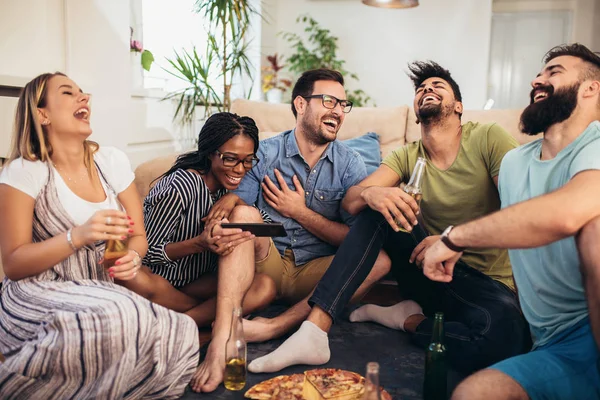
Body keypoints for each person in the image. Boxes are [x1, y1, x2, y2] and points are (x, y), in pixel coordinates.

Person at [248, 61, 531, 375]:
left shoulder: (489, 138)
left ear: (459, 106)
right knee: (380, 207)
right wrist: (372, 194)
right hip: (424, 267)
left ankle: (407, 320)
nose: (428, 90)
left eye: (438, 86)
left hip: (485, 282)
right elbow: (354, 200)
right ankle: (314, 331)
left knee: (505, 342)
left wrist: (454, 238)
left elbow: (521, 207)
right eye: (421, 89)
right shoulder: (408, 154)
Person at [0, 72, 198, 399]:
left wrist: (132, 256)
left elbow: (137, 236)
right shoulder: (24, 170)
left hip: (99, 286)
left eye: (83, 92)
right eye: (68, 93)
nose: (84, 97)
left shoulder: (111, 161)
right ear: (42, 114)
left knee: (177, 328)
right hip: (38, 291)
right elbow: (13, 263)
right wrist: (77, 236)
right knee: (123, 317)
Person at [423, 43, 600, 400]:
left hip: (590, 330)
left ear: (590, 88)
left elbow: (566, 214)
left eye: (554, 72)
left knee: (594, 228)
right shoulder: (516, 163)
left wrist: (456, 238)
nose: (537, 79)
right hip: (553, 344)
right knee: (472, 393)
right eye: (539, 73)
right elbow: (518, 228)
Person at [229, 68, 391, 373]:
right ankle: (227, 318)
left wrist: (300, 211)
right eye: (329, 101)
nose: (339, 111)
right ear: (301, 105)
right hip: (268, 265)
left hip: (317, 274)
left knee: (380, 261)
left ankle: (276, 327)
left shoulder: (350, 165)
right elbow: (238, 210)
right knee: (242, 215)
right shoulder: (265, 152)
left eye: (343, 105)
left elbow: (357, 243)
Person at [137, 112, 276, 329]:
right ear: (210, 153)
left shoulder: (231, 190)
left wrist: (237, 202)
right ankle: (201, 325)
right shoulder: (180, 187)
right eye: (230, 159)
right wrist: (199, 244)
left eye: (248, 161)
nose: (240, 170)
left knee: (264, 286)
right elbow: (146, 253)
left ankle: (185, 324)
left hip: (200, 283)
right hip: (163, 284)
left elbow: (267, 226)